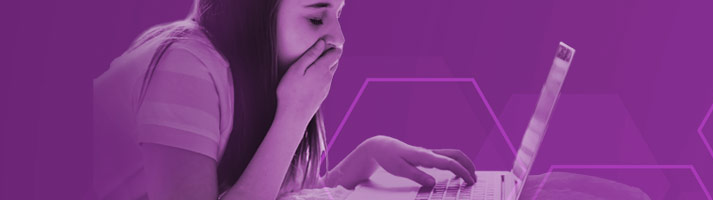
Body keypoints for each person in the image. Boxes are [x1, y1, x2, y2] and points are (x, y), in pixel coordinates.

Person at [91, 0, 479, 199]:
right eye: (316, 17)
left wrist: (362, 160)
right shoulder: (186, 67)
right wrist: (293, 114)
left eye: (339, 13)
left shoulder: (262, 72)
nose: (339, 38)